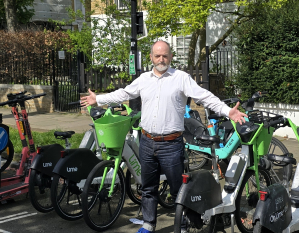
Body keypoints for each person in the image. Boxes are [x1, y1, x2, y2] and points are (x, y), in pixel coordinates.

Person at [80, 40, 246, 233]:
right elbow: (123, 93)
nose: (161, 59)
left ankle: (182, 226)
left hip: (171, 144)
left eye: (165, 55)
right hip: (147, 142)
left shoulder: (181, 78)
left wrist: (228, 111)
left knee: (178, 190)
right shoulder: (143, 79)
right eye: (157, 55)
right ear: (151, 57)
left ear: (171, 57)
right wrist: (98, 99)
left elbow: (205, 97)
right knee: (148, 188)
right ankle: (149, 224)